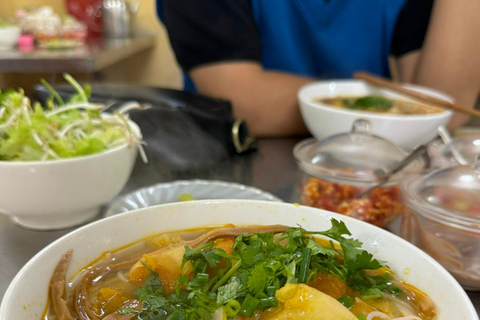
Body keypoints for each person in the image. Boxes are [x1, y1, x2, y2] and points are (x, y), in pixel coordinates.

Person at [158, 0, 480, 137]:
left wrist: (421, 111)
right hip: (235, 154)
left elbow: (444, 107)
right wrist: (402, 110)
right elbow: (242, 99)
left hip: (372, 163)